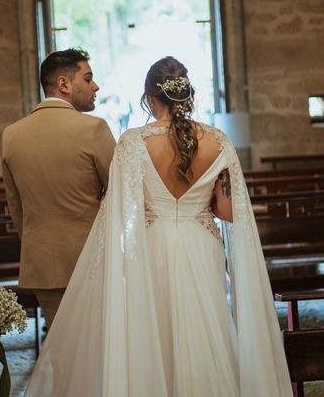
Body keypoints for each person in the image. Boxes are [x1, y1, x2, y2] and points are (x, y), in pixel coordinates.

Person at [24, 56, 292, 396]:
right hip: (201, 243)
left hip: (153, 245)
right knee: (204, 326)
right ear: (186, 95)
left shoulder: (133, 142)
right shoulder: (218, 140)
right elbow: (228, 210)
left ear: (150, 97)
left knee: (154, 330)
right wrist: (198, 199)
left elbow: (122, 210)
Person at [1, 48, 115, 326]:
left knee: (61, 347)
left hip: (42, 264)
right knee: (96, 346)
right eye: (88, 79)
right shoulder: (94, 129)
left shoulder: (11, 135)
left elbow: (16, 207)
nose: (95, 86)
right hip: (91, 261)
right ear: (64, 84)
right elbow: (121, 192)